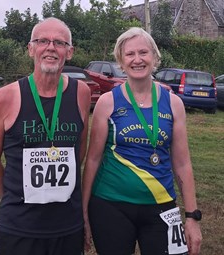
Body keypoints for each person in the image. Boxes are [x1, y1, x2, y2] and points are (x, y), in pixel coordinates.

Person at [82, 27, 202, 255]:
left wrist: (192, 217)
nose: (137, 59)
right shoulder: (107, 102)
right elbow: (93, 160)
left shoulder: (173, 103)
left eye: (143, 53)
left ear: (154, 57)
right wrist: (84, 211)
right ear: (121, 60)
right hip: (111, 205)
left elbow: (183, 163)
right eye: (130, 54)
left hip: (162, 204)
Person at [0, 17, 91, 255]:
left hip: (67, 226)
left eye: (59, 43)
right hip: (19, 228)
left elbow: (79, 151)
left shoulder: (81, 93)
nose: (51, 47)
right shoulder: (5, 97)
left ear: (69, 52)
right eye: (42, 41)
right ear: (31, 49)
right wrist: (14, 196)